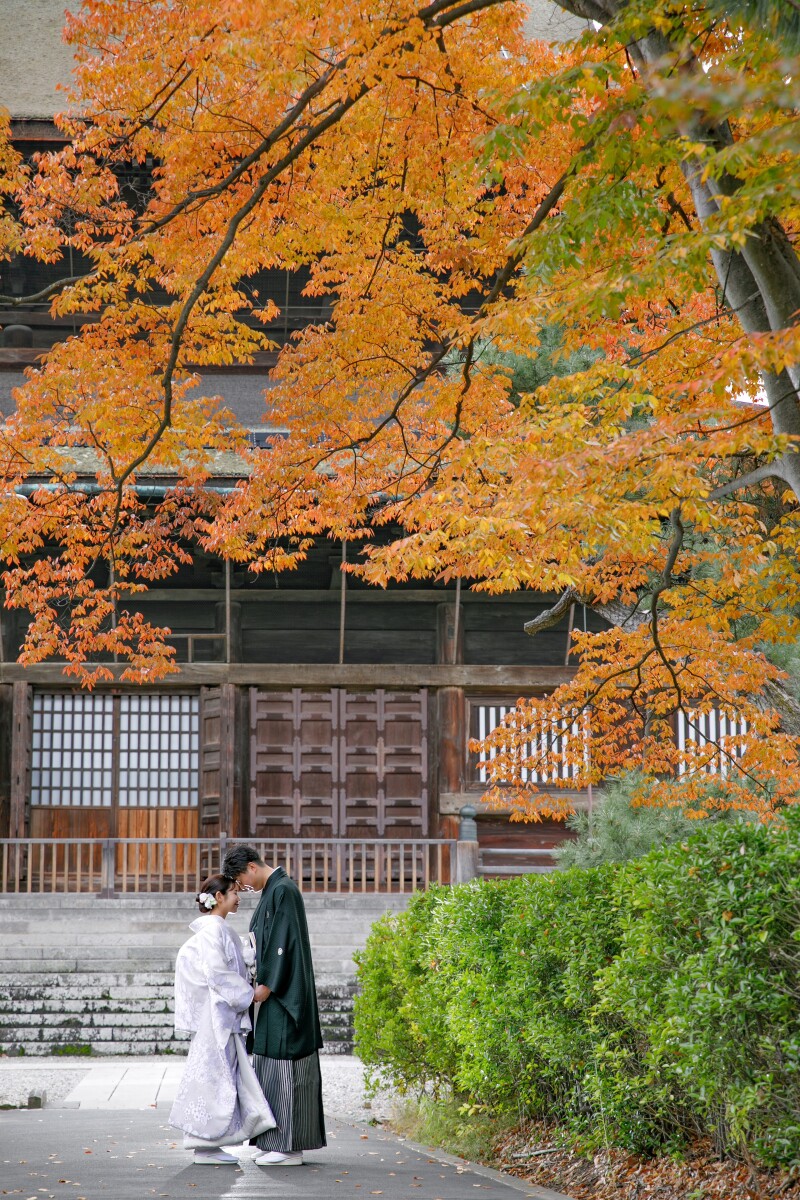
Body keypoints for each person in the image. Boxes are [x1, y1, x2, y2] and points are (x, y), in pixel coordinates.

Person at [222, 844, 326, 1167]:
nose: (244, 888)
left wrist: (266, 984)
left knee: (287, 1064)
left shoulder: (285, 891)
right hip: (273, 994)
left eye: (242, 880)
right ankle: (275, 1140)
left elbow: (283, 944)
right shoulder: (273, 891)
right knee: (270, 1065)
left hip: (285, 994)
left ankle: (290, 1146)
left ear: (252, 866)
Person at [170, 873, 276, 1165]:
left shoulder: (217, 929)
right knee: (215, 1077)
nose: (238, 898)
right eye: (233, 893)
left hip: (221, 1015)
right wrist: (250, 995)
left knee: (220, 1076)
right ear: (218, 898)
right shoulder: (213, 931)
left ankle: (210, 1142)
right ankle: (204, 1145)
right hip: (218, 1017)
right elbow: (217, 973)